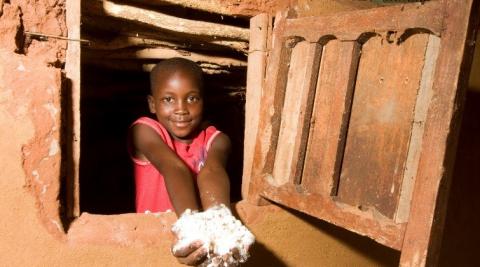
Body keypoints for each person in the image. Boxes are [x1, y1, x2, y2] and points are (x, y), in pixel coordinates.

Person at [129, 57, 231, 265]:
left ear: (203, 100)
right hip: (151, 248)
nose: (181, 109)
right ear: (152, 104)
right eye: (168, 99)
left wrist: (221, 227)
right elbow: (173, 167)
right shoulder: (144, 131)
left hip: (196, 248)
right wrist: (192, 228)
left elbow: (211, 172)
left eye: (192, 98)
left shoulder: (217, 140)